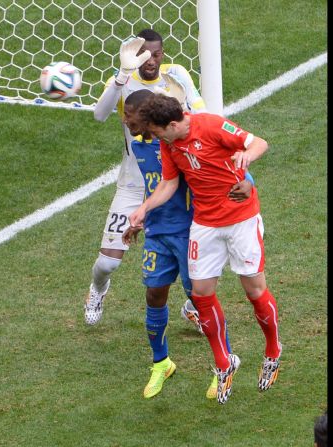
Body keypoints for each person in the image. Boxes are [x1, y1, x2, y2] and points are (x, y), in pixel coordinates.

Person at [130, 94, 283, 404]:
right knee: (201, 294)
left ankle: (273, 350)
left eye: (159, 132)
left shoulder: (212, 126)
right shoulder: (169, 142)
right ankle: (224, 363)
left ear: (172, 125)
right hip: (205, 223)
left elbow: (259, 143)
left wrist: (246, 159)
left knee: (254, 291)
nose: (156, 138)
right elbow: (169, 183)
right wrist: (143, 209)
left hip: (241, 219)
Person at [85, 28, 207, 329]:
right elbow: (99, 115)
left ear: (162, 53)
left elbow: (202, 113)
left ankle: (193, 307)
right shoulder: (123, 80)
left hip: (173, 183)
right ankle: (98, 289)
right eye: (144, 54)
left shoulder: (176, 75)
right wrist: (121, 76)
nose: (150, 60)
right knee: (109, 262)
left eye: (156, 54)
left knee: (198, 251)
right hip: (133, 183)